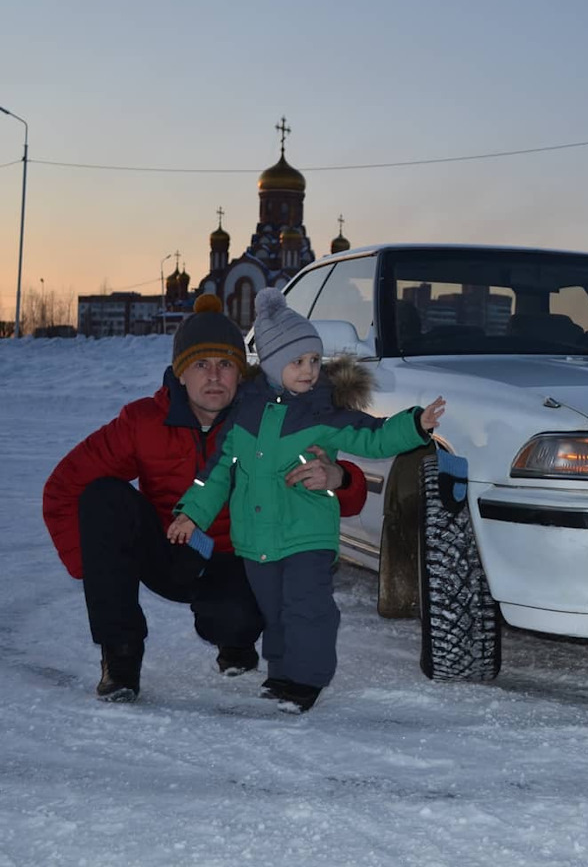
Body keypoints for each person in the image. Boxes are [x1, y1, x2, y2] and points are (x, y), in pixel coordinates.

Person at [42, 294, 367, 703]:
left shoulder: (273, 418)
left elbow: (351, 496)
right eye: (201, 365)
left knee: (234, 616)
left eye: (226, 364)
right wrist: (94, 568)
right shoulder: (142, 422)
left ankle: (237, 642)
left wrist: (337, 478)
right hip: (171, 550)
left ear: (243, 373)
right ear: (180, 373)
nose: (214, 377)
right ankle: (121, 658)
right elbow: (64, 486)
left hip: (240, 561)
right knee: (103, 496)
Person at [168, 288, 445, 713]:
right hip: (258, 539)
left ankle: (308, 678)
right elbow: (218, 474)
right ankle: (281, 673)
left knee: (307, 608)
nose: (310, 371)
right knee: (274, 611)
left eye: (315, 361)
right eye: (298, 362)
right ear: (274, 365)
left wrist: (415, 425)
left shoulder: (323, 412)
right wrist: (191, 514)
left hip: (307, 535)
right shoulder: (244, 413)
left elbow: (372, 435)